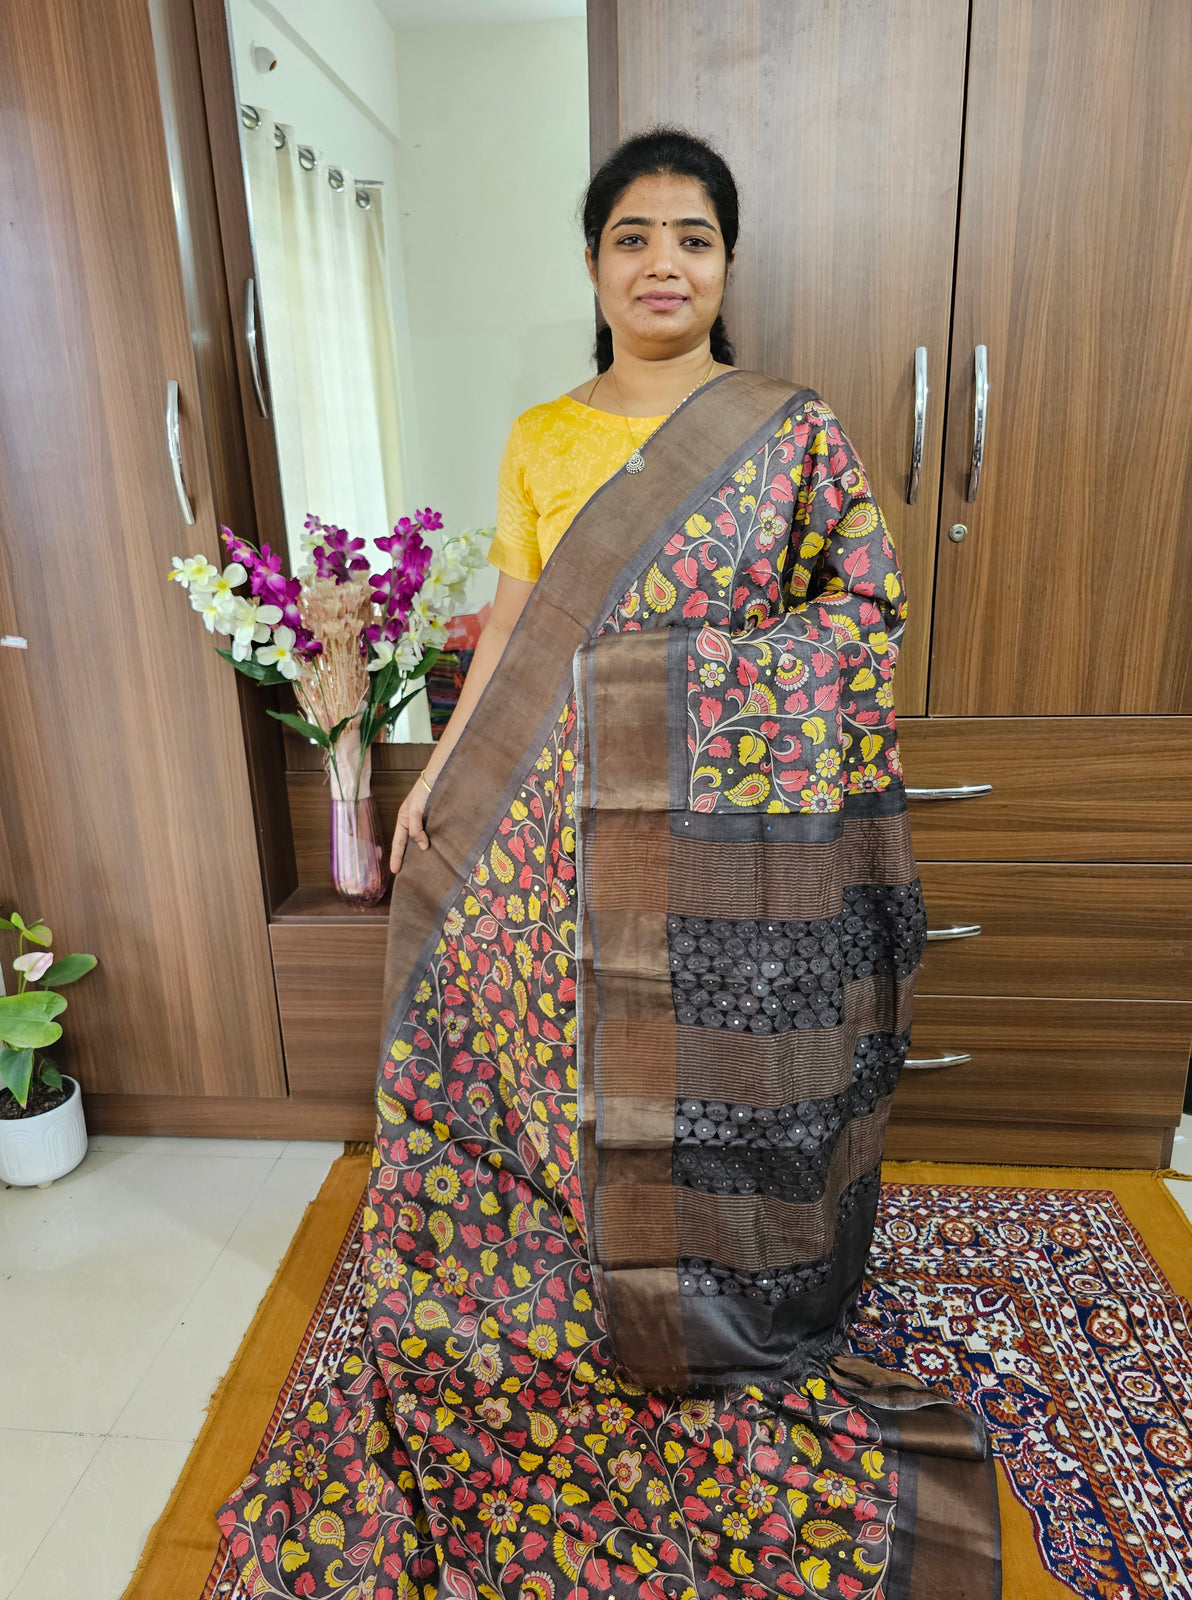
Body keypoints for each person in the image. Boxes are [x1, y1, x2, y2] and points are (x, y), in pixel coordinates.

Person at [220, 128, 1001, 1599]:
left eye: (693, 237)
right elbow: (511, 632)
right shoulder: (543, 434)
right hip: (546, 827)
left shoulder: (791, 430)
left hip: (720, 845)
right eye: (633, 236)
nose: (663, 262)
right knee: (557, 1064)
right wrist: (438, 779)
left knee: (698, 1071)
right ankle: (579, 1272)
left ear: (725, 264)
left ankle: (711, 1291)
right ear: (592, 263)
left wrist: (677, 685)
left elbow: (861, 613)